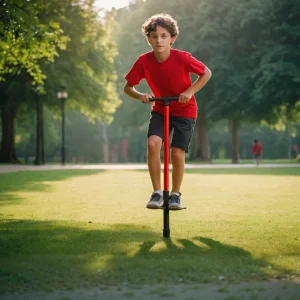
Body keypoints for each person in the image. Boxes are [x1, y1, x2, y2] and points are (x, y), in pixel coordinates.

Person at [124, 13, 212, 210]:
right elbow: (128, 88)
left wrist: (189, 91)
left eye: (164, 36)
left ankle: (175, 195)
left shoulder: (182, 57)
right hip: (160, 108)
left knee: (176, 152)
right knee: (153, 144)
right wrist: (140, 96)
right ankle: (157, 193)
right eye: (154, 36)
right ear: (148, 39)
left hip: (185, 110)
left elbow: (206, 73)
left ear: (172, 38)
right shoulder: (144, 61)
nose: (159, 40)